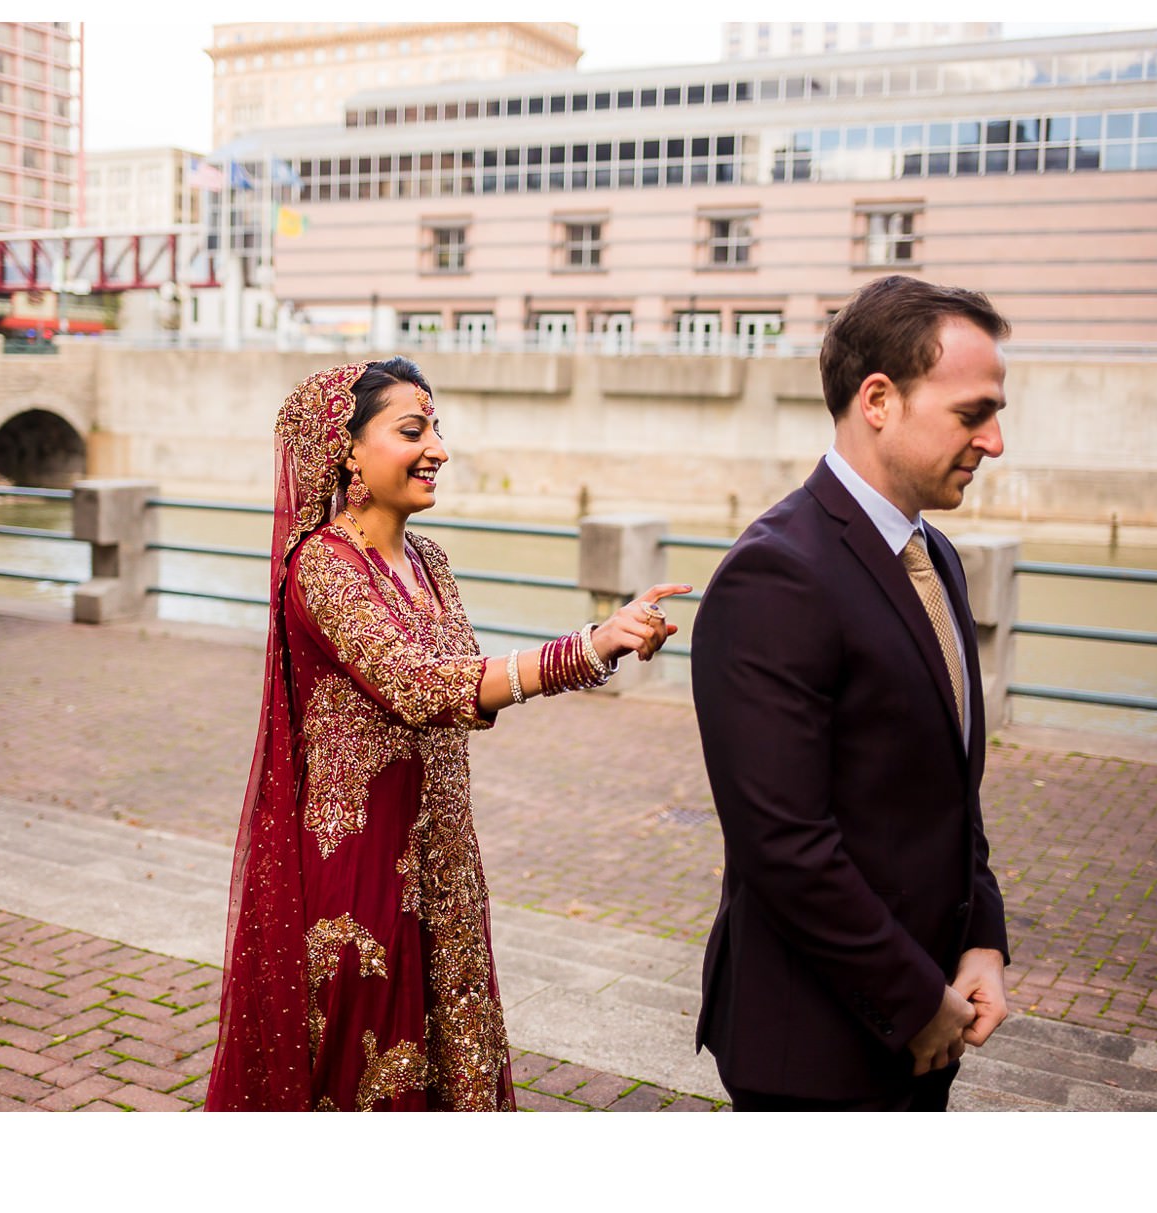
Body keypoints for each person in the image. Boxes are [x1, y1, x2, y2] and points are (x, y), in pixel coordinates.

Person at [205, 357, 689, 1111]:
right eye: (412, 429)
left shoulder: (431, 561)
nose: (438, 447)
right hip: (359, 875)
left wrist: (610, 643)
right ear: (347, 450)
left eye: (436, 427)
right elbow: (419, 686)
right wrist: (588, 647)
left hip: (445, 859)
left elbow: (468, 682)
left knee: (455, 1059)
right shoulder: (322, 568)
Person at [689, 275, 1013, 1112]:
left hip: (922, 1031)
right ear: (878, 400)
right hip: (815, 1048)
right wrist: (915, 999)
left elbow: (947, 794)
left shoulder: (934, 557)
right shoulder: (777, 573)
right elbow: (784, 844)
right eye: (973, 413)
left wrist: (982, 939)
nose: (996, 440)